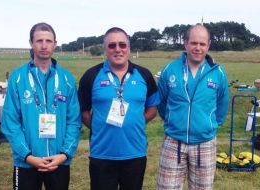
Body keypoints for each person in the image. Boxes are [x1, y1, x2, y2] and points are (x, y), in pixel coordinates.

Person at [1, 22, 82, 190]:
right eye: (39, 41)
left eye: (48, 41)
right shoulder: (17, 78)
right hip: (26, 162)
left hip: (58, 160)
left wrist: (64, 154)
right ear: (31, 43)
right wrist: (28, 156)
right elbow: (10, 122)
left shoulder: (66, 79)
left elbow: (74, 121)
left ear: (55, 44)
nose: (44, 46)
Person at [78, 27, 160, 190]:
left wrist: (137, 122)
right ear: (105, 49)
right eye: (112, 45)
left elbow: (152, 108)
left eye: (122, 45)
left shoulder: (144, 75)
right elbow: (83, 112)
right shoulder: (91, 75)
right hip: (102, 154)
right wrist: (98, 127)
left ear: (129, 48)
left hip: (135, 153)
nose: (118, 49)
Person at [156, 24, 229, 190]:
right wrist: (172, 121)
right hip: (174, 140)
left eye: (202, 44)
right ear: (186, 43)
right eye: (194, 43)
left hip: (205, 142)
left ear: (208, 45)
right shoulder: (170, 70)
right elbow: (161, 103)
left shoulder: (218, 73)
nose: (198, 48)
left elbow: (222, 105)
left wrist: (209, 125)